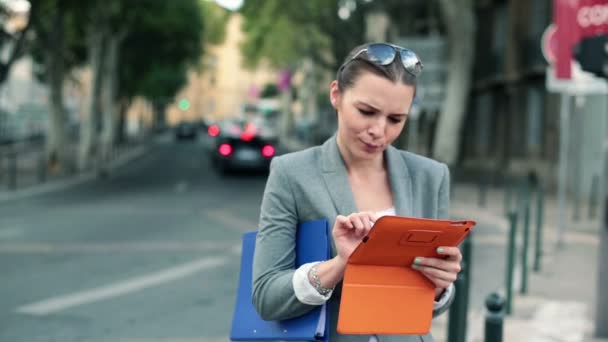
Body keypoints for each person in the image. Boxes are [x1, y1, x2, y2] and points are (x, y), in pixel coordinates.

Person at [252, 42, 463, 342]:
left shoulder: (431, 176)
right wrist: (338, 265)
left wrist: (441, 285)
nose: (379, 130)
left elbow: (425, 308)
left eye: (395, 119)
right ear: (336, 94)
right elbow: (267, 297)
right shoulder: (291, 173)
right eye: (367, 111)